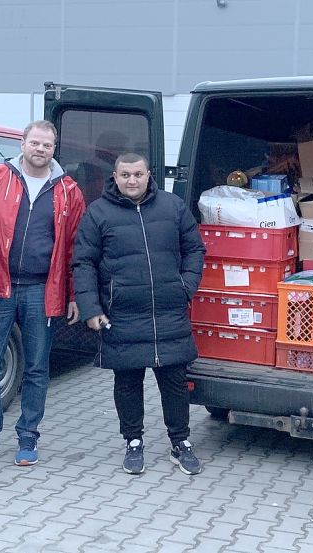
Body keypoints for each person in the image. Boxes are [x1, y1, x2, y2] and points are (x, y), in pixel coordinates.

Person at [72, 153, 206, 475]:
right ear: (115, 177)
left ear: (149, 175)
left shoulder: (172, 207)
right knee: (128, 382)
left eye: (138, 174)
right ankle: (133, 441)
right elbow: (83, 263)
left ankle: (180, 442)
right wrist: (91, 308)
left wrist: (184, 286)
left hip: (168, 311)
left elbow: (195, 249)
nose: (132, 180)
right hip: (123, 314)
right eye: (125, 175)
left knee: (174, 382)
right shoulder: (98, 213)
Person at [0, 120, 86, 466]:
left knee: (36, 369)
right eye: (35, 143)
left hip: (40, 291)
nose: (40, 149)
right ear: (22, 142)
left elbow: (76, 247)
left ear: (54, 149)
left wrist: (73, 294)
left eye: (47, 145)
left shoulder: (68, 191)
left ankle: (28, 438)